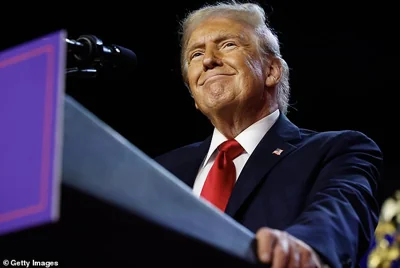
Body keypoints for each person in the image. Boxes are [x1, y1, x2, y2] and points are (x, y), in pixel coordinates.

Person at [154, 1, 383, 267]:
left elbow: (340, 212)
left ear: (272, 71)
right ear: (193, 92)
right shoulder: (161, 170)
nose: (208, 60)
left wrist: (303, 246)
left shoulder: (335, 151)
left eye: (228, 45)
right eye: (195, 54)